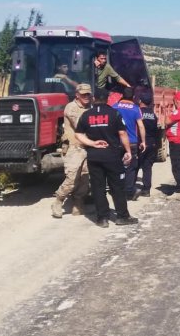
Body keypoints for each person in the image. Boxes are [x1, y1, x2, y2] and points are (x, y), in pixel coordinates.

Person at [74, 98, 139, 227]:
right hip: (112, 156)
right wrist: (128, 151)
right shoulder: (114, 113)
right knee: (117, 187)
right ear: (107, 100)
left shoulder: (86, 114)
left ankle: (102, 218)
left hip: (94, 157)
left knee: (98, 188)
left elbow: (78, 134)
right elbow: (122, 133)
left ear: (93, 99)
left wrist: (92, 143)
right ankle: (122, 216)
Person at [50, 82, 93, 219]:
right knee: (72, 178)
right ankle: (58, 201)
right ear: (77, 95)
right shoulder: (71, 107)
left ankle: (78, 203)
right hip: (75, 148)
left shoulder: (90, 107)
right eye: (83, 94)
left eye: (88, 94)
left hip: (88, 147)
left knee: (85, 178)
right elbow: (81, 125)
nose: (86, 96)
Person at [113, 86, 147, 200]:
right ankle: (128, 192)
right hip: (131, 142)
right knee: (131, 168)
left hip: (117, 142)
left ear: (122, 95)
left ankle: (116, 190)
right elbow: (141, 126)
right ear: (133, 97)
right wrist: (143, 141)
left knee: (116, 167)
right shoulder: (135, 109)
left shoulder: (114, 107)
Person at [135, 91, 163, 198]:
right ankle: (146, 190)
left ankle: (131, 189)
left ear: (140, 101)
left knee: (135, 166)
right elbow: (156, 130)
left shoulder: (138, 112)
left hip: (141, 143)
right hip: (152, 143)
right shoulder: (153, 115)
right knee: (147, 167)